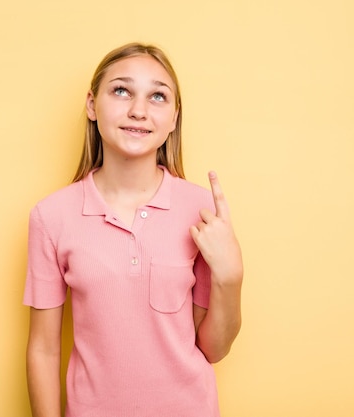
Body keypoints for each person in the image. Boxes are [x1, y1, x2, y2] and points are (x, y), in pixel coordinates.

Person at [23, 42, 243, 417]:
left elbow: (213, 349)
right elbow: (44, 349)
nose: (138, 111)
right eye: (121, 90)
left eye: (157, 96)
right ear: (92, 105)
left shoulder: (201, 211)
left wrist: (231, 275)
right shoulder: (51, 217)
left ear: (174, 117)